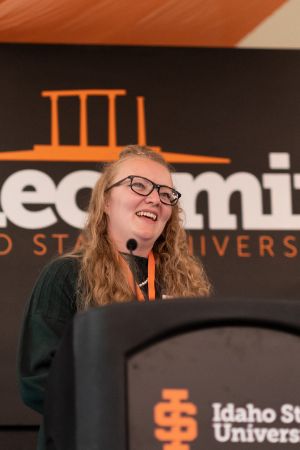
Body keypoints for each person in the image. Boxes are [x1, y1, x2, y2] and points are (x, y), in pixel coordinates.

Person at [18, 144, 211, 449]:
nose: (154, 198)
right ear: (106, 200)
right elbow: (38, 381)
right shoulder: (66, 274)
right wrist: (124, 408)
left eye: (165, 194)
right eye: (139, 185)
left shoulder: (185, 286)